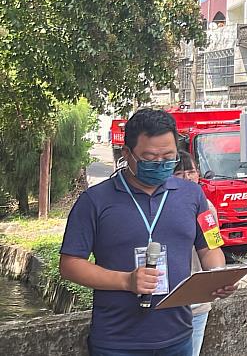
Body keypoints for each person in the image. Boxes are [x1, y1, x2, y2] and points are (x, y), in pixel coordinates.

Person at [59, 108, 236, 356]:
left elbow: (210, 246)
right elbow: (70, 264)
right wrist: (126, 281)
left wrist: (218, 276)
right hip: (117, 342)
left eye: (169, 157)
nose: (161, 165)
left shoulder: (193, 195)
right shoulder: (95, 201)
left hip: (179, 336)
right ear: (127, 154)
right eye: (151, 158)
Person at [173, 150, 215, 356]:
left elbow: (213, 248)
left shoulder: (207, 208)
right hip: (165, 305)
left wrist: (219, 274)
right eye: (179, 173)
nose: (187, 178)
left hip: (197, 306)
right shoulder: (158, 208)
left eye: (191, 172)